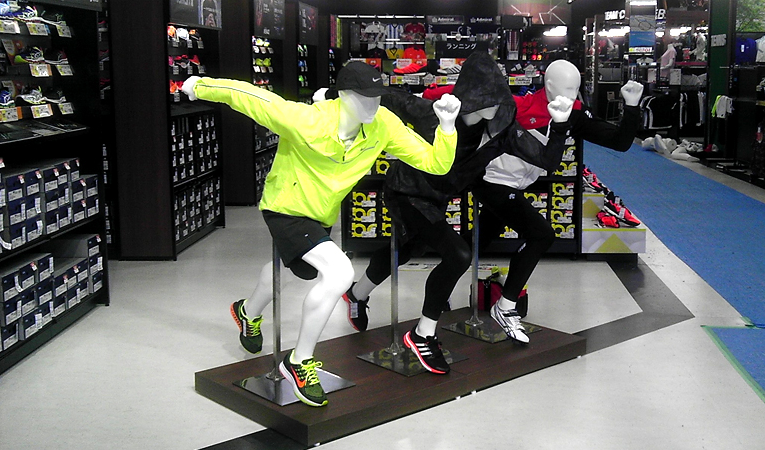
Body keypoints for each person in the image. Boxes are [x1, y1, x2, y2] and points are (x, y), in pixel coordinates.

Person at [180, 62, 460, 407]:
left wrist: (447, 128)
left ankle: (247, 311)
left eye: (378, 97)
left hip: (320, 214)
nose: (373, 104)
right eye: (365, 97)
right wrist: (199, 85)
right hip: (285, 206)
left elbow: (435, 163)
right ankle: (298, 361)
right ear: (344, 95)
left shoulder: (383, 124)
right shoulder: (308, 120)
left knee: (294, 270)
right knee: (339, 272)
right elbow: (251, 97)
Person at [342, 51, 573, 374]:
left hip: (438, 198)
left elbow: (547, 160)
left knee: (409, 247)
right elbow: (391, 98)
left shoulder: (502, 131)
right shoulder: (437, 113)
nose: (493, 108)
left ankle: (357, 294)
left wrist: (560, 125)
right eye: (486, 100)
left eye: (497, 100)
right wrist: (334, 100)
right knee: (457, 254)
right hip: (407, 191)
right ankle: (423, 334)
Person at [467, 60, 643, 342]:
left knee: (469, 246)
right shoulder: (518, 106)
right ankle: (506, 306)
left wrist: (632, 106)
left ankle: (439, 294)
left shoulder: (574, 113)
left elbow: (619, 142)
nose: (570, 95)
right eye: (564, 88)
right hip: (488, 180)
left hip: (513, 184)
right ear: (548, 86)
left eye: (575, 89)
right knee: (541, 235)